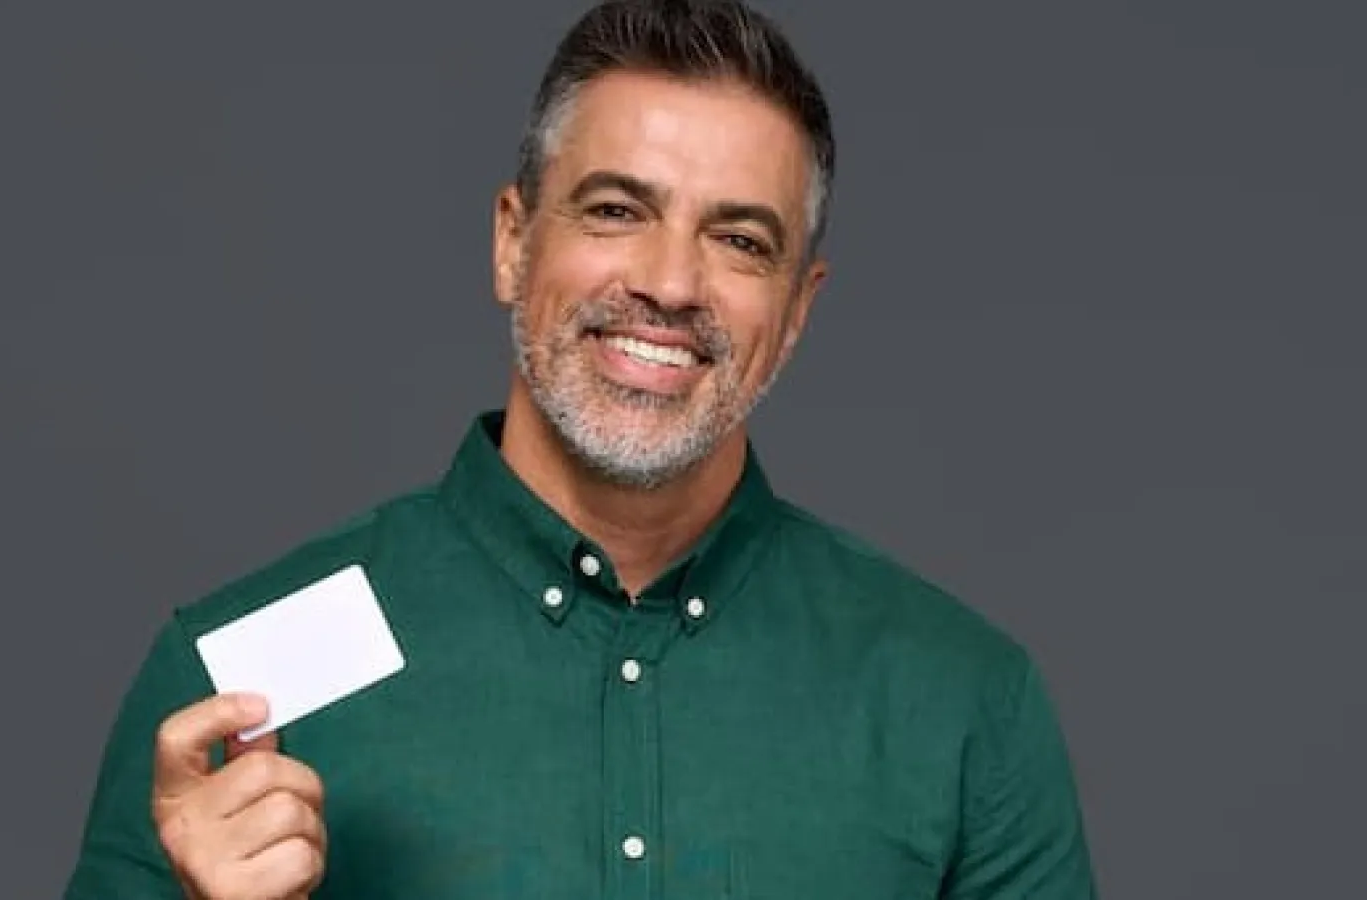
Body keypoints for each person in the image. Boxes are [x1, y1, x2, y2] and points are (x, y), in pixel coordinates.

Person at [62, 0, 1099, 897]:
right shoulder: (240, 684)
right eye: (615, 210)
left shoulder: (961, 700)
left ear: (796, 312)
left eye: (740, 241)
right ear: (513, 242)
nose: (670, 284)